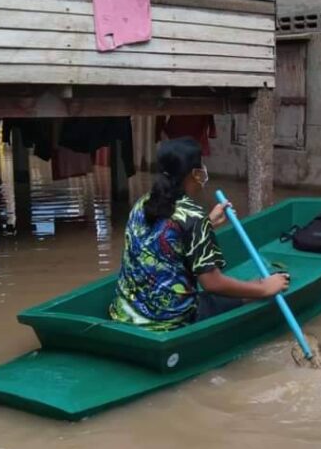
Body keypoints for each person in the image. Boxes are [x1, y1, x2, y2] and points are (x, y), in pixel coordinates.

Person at [109, 137, 289, 330]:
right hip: (169, 321)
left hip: (124, 313)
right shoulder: (194, 217)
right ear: (195, 173)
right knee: (242, 295)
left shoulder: (143, 203)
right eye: (202, 165)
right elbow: (212, 283)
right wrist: (262, 289)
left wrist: (207, 223)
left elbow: (165, 236)